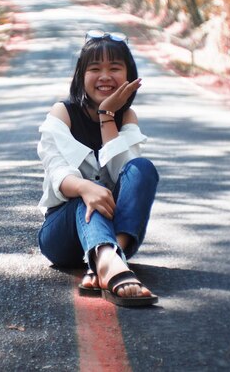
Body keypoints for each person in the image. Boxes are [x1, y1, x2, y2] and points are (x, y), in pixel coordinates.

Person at [36, 29, 159, 307]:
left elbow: (126, 176)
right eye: (95, 68)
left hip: (118, 231)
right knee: (89, 192)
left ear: (128, 74)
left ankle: (106, 260)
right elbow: (56, 170)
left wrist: (107, 116)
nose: (105, 76)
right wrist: (86, 188)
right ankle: (109, 261)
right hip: (62, 234)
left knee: (143, 168)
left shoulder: (127, 116)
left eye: (114, 68)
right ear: (81, 76)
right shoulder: (62, 113)